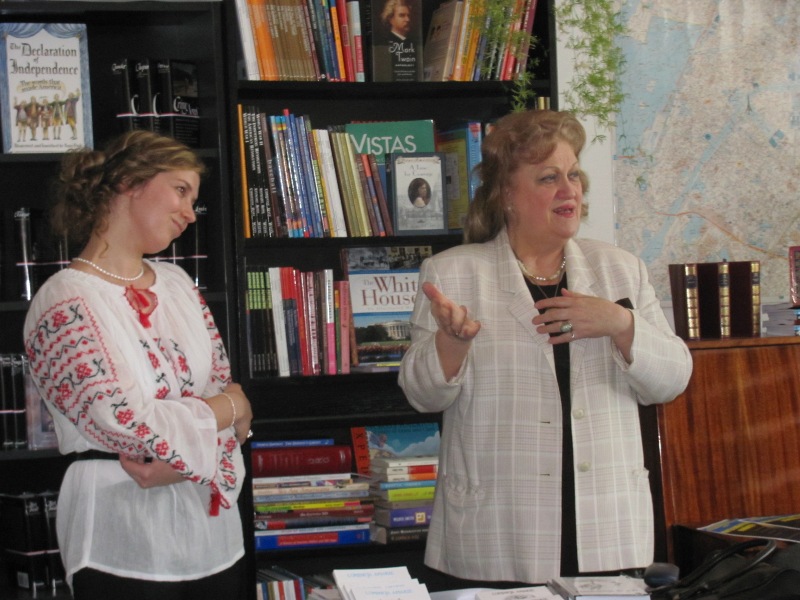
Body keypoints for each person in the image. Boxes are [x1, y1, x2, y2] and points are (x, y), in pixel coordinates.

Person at [398, 109, 693, 585]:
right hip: (496, 531)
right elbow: (421, 395)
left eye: (573, 175)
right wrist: (450, 345)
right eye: (548, 177)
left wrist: (621, 324)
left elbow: (672, 380)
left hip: (608, 528)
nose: (569, 190)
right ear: (507, 194)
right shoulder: (453, 274)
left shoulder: (620, 270)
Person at [23, 130, 253, 599]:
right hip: (120, 532)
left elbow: (222, 383)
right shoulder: (63, 298)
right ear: (129, 183)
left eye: (194, 199)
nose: (190, 213)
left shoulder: (177, 283)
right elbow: (122, 421)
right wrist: (229, 412)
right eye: (180, 190)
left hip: (212, 533)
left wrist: (191, 453)